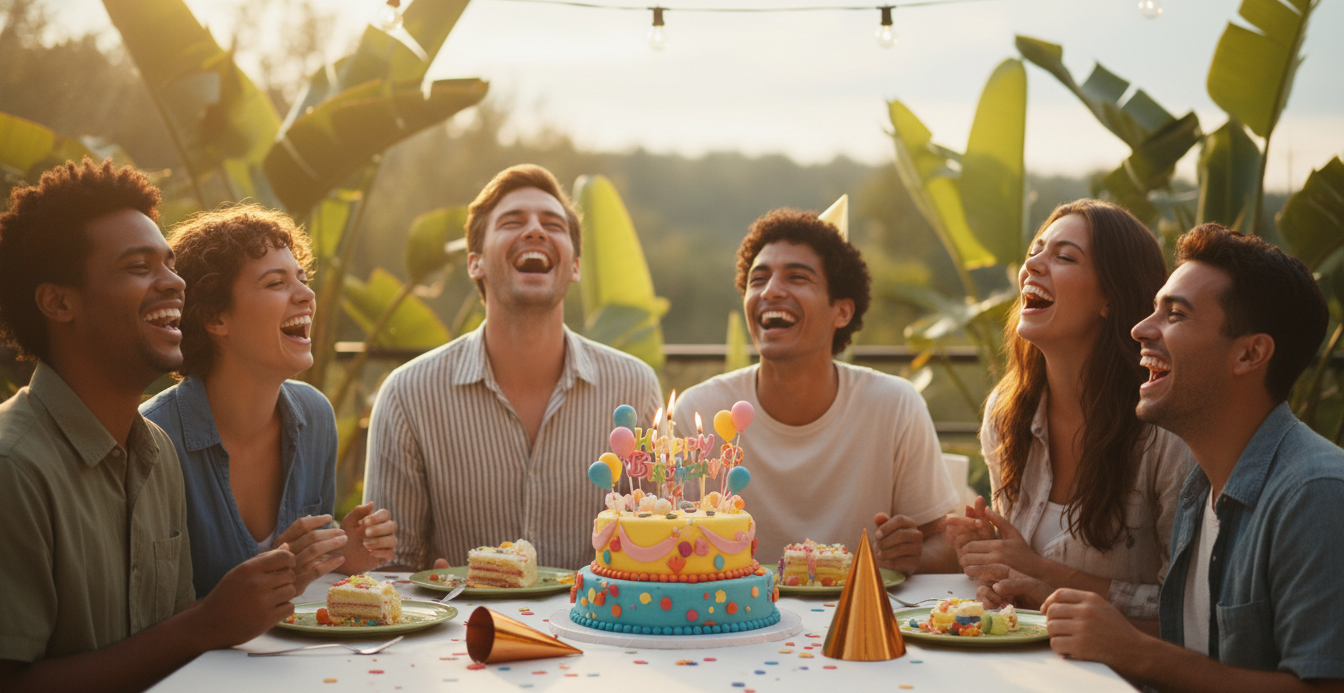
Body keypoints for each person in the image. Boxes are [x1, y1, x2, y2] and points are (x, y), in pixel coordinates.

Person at [0, 160, 297, 692]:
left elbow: (164, 646)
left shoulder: (157, 452)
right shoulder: (14, 469)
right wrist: (206, 623)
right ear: (59, 302)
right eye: (140, 267)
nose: (175, 283)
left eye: (171, 264)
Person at [1041, 224, 1344, 691]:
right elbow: (1200, 660)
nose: (1141, 329)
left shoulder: (1315, 495)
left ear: (1250, 354)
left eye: (1176, 315)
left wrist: (1136, 652)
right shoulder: (1198, 491)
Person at [364, 164, 662, 571]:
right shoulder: (407, 394)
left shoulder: (635, 387)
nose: (536, 231)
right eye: (513, 221)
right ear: (475, 263)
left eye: (553, 224)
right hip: (463, 631)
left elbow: (658, 543)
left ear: (575, 267)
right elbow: (391, 569)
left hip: (594, 633)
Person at [947, 200, 1194, 624]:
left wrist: (1038, 570)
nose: (1033, 266)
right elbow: (1019, 596)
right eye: (1034, 252)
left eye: (1063, 257)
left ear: (1111, 299)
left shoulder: (1165, 433)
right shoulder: (1006, 413)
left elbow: (1185, 611)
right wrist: (991, 558)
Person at [674, 208, 959, 574]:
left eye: (797, 277)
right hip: (733, 623)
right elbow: (669, 543)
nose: (771, 291)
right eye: (757, 280)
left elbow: (944, 545)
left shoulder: (894, 405)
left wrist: (910, 555)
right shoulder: (699, 410)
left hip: (856, 621)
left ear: (841, 312)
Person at [140, 204, 398, 596]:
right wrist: (276, 575)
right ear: (215, 318)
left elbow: (306, 587)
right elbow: (148, 615)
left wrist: (344, 555)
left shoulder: (316, 417)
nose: (307, 295)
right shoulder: (155, 442)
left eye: (303, 278)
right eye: (276, 283)